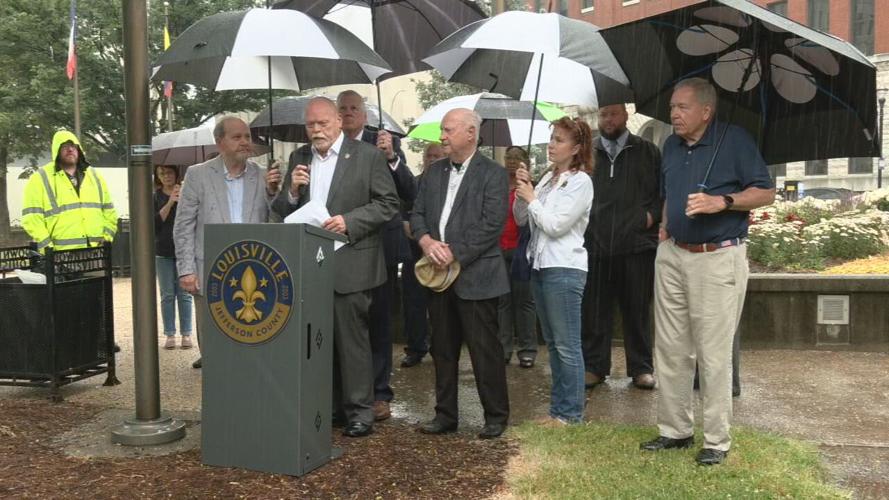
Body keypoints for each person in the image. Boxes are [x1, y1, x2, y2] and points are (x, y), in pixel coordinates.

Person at [640, 78, 775, 465]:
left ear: (706, 111)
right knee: (670, 348)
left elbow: (765, 192)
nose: (674, 114)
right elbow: (669, 193)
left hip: (717, 257)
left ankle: (716, 440)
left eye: (682, 107)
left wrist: (723, 201)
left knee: (713, 354)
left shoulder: (736, 141)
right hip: (673, 254)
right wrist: (665, 227)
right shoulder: (670, 145)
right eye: (672, 107)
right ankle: (675, 431)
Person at [267, 97, 399, 438]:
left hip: (352, 263)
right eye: (311, 125)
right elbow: (282, 210)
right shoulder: (299, 157)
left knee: (352, 342)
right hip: (310, 265)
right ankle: (331, 408)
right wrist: (292, 191)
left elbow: (388, 204)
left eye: (323, 123)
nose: (316, 130)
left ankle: (360, 412)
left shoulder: (367, 156)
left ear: (339, 121)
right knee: (319, 341)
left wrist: (349, 221)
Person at [410, 108, 510, 440]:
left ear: (471, 133)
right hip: (438, 278)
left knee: (485, 351)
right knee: (442, 349)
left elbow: (491, 224)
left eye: (448, 130)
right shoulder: (433, 172)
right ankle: (445, 415)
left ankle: (495, 416)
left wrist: (453, 253)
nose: (442, 136)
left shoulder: (493, 174)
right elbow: (417, 213)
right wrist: (426, 242)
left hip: (477, 277)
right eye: (442, 130)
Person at [336, 89, 416, 422]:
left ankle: (380, 392)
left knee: (379, 320)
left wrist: (392, 158)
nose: (348, 113)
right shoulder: (329, 148)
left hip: (381, 245)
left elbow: (408, 193)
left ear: (365, 115)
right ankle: (345, 392)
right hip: (342, 249)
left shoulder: (382, 143)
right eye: (343, 108)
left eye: (354, 108)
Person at [173, 117, 271, 370]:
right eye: (237, 137)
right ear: (219, 142)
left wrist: (276, 192)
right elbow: (184, 225)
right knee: (213, 345)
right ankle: (217, 388)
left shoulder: (263, 176)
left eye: (247, 136)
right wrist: (186, 270)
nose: (245, 142)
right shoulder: (197, 175)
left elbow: (276, 222)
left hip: (254, 273)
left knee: (253, 344)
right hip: (210, 273)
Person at [513, 117, 594, 425]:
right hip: (540, 265)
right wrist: (523, 191)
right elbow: (522, 220)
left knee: (567, 345)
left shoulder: (580, 181)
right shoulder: (548, 178)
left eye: (559, 140)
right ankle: (558, 411)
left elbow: (556, 225)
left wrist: (533, 199)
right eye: (552, 138)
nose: (551, 145)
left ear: (576, 148)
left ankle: (570, 414)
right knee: (553, 344)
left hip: (564, 267)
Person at [582, 104, 661, 390]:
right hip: (595, 246)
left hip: (636, 246)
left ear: (626, 115)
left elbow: (662, 192)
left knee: (637, 311)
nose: (608, 120)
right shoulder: (587, 152)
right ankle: (594, 367)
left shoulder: (647, 151)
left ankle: (641, 368)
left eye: (614, 114)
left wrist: (649, 217)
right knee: (594, 311)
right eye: (604, 114)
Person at [22, 130, 117, 253]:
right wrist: (48, 248)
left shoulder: (94, 176)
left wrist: (106, 238)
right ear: (56, 150)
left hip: (96, 252)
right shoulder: (40, 178)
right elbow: (32, 218)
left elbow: (109, 212)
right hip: (60, 255)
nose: (70, 149)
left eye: (73, 146)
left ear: (79, 149)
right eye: (65, 146)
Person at [399, 142, 447, 368]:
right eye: (429, 156)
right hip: (414, 253)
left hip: (442, 255)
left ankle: (441, 348)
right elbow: (403, 217)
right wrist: (421, 237)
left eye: (438, 156)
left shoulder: (449, 184)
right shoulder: (413, 185)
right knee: (413, 304)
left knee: (441, 306)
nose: (433, 159)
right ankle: (415, 348)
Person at [498, 146, 537, 368]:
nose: (511, 161)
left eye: (517, 158)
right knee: (502, 301)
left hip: (522, 250)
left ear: (525, 162)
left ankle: (527, 349)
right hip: (499, 249)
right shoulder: (497, 186)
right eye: (508, 157)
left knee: (524, 301)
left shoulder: (531, 187)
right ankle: (503, 349)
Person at [154, 165, 193, 350]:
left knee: (185, 294)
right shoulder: (155, 197)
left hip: (183, 251)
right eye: (161, 174)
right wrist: (170, 202)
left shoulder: (185, 193)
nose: (166, 176)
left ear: (176, 174)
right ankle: (170, 334)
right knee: (167, 294)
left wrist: (182, 196)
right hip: (163, 250)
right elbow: (155, 223)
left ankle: (186, 333)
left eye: (169, 172)